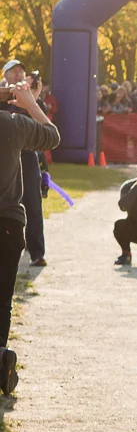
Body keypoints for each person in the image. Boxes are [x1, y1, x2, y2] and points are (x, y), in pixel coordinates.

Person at [0, 81, 59, 395]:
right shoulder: (13, 123)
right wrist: (31, 103)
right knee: (2, 300)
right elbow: (52, 136)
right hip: (8, 223)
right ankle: (1, 359)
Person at [2, 61, 49, 267]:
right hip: (5, 155)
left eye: (21, 71)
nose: (19, 74)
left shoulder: (31, 96)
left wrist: (33, 100)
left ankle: (37, 252)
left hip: (28, 155)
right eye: (14, 71)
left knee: (33, 202)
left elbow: (44, 125)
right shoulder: (2, 96)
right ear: (5, 75)